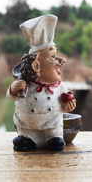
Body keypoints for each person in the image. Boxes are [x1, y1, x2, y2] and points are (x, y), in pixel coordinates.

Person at [7, 14, 76, 151]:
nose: (60, 62)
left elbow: (67, 99)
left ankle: (52, 139)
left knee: (54, 142)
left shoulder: (59, 86)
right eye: (53, 57)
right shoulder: (25, 84)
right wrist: (13, 89)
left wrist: (68, 104)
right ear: (36, 66)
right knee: (24, 141)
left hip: (51, 127)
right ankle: (27, 139)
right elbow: (11, 96)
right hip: (26, 126)